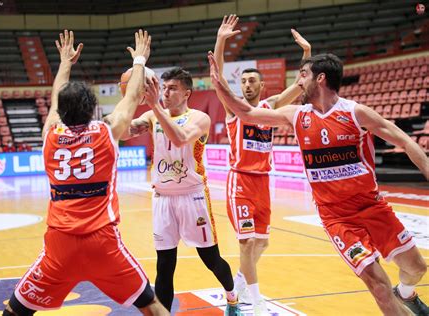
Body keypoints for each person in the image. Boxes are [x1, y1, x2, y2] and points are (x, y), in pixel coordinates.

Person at [208, 51, 429, 316]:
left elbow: (405, 141)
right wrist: (218, 82)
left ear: (320, 79)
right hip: (337, 217)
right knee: (378, 285)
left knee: (417, 267)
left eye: (303, 75)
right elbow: (246, 112)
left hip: (372, 206)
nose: (298, 82)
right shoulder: (296, 115)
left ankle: (405, 292)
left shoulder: (355, 113)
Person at [2, 29, 168, 316]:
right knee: (150, 304)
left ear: (60, 113)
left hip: (60, 244)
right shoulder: (107, 131)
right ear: (93, 107)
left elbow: (55, 99)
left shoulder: (51, 134)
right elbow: (131, 98)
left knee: (16, 311)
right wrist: (140, 59)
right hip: (102, 242)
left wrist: (65, 62)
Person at [121, 67, 241, 316]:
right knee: (164, 265)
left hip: (193, 196)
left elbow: (180, 138)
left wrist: (155, 108)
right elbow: (122, 132)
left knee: (211, 259)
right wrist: (128, 98)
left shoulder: (199, 118)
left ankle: (232, 297)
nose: (166, 92)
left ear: (187, 93)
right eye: (164, 88)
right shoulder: (153, 116)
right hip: (163, 198)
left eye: (172, 88)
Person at [213, 14, 311, 314]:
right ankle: (254, 304)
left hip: (263, 183)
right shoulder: (235, 108)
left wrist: (307, 54)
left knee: (262, 244)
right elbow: (217, 78)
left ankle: (238, 285)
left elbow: (300, 85)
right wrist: (220, 41)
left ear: (262, 85)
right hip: (240, 182)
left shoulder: (270, 107)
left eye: (251, 80)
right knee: (246, 244)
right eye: (242, 81)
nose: (246, 85)